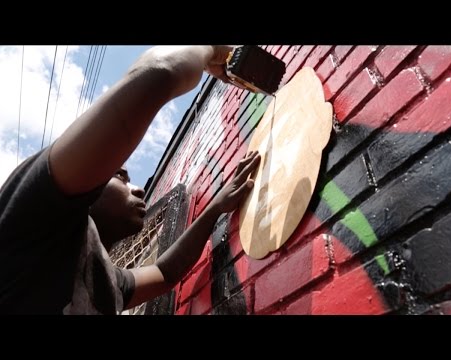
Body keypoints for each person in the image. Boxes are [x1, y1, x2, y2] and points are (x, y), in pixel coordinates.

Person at [0, 46, 261, 314]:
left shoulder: (107, 283)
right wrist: (210, 50)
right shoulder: (32, 218)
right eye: (120, 177)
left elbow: (166, 271)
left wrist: (215, 208)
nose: (138, 189)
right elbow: (159, 73)